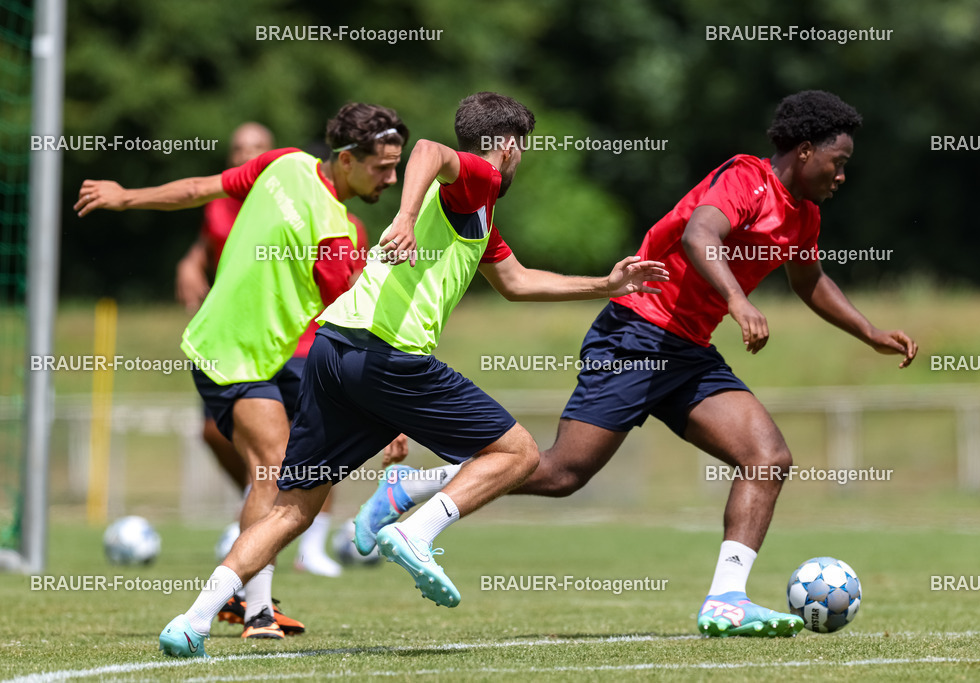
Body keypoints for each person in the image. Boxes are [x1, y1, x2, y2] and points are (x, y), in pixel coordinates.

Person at [353, 90, 919, 638]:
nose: (842, 175)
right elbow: (701, 233)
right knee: (562, 474)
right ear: (806, 151)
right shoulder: (746, 178)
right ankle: (413, 487)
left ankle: (727, 600)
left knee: (767, 458)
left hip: (689, 351)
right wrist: (737, 300)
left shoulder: (804, 216)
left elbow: (809, 280)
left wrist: (869, 333)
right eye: (838, 162)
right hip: (635, 334)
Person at [155, 90, 669, 658]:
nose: (521, 158)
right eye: (522, 148)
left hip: (334, 348)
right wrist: (402, 218)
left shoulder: (475, 212)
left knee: (292, 507)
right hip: (389, 354)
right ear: (506, 147)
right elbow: (428, 148)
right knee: (519, 453)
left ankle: (191, 621)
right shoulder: (479, 179)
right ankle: (414, 531)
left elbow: (517, 281)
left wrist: (605, 285)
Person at [75, 102, 409, 641]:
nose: (392, 179)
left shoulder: (293, 170)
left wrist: (126, 196)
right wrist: (126, 197)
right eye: (384, 168)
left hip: (265, 358)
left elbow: (197, 189)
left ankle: (253, 605)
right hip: (228, 351)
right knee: (273, 469)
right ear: (347, 159)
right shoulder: (314, 206)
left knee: (279, 472)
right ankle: (250, 609)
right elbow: (351, 326)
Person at [175, 122, 356, 580]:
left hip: (301, 343)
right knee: (224, 439)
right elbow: (206, 246)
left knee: (310, 445)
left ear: (271, 155)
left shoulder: (327, 215)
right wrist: (189, 264)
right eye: (238, 148)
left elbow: (348, 285)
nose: (244, 155)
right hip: (236, 345)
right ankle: (259, 521)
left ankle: (304, 546)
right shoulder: (219, 208)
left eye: (255, 148)